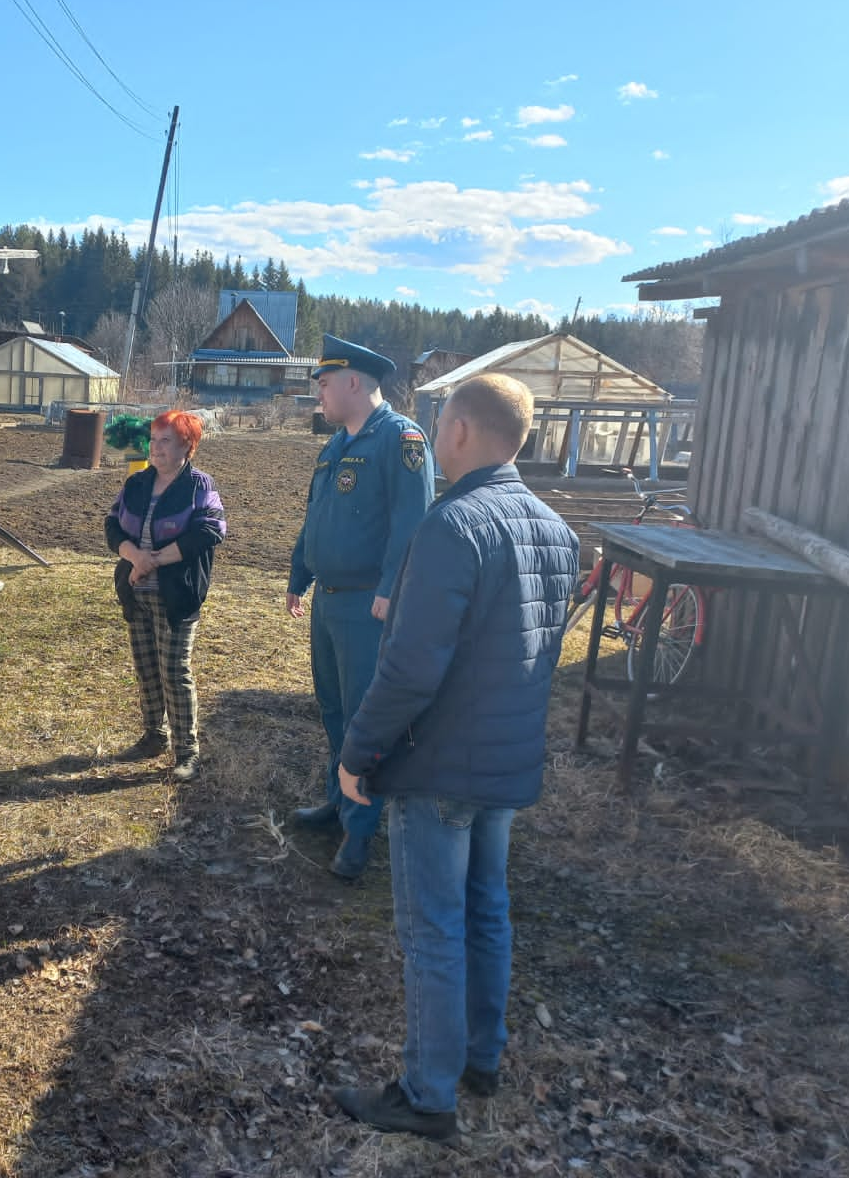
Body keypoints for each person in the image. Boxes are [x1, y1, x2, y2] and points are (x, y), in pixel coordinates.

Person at [329, 373, 579, 1141]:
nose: (435, 439)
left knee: (433, 928)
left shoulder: (453, 526)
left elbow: (408, 667)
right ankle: (480, 1058)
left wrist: (358, 751)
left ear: (463, 432)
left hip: (440, 764)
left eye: (441, 427)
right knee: (485, 912)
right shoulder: (554, 530)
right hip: (503, 761)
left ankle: (428, 1094)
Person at [286, 335, 434, 879]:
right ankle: (338, 800)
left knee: (362, 721)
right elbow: (317, 517)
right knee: (332, 708)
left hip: (366, 608)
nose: (317, 395)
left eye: (323, 384)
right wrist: (299, 574)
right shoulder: (336, 446)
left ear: (353, 382)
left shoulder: (401, 440)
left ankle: (359, 831)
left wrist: (391, 589)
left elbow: (413, 522)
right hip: (328, 600)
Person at [104, 410, 227, 782]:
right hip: (136, 592)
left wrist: (152, 560)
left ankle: (186, 751)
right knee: (146, 667)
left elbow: (208, 532)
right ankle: (153, 736)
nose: (156, 449)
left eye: (165, 441)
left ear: (187, 446)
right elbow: (112, 525)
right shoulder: (137, 483)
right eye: (154, 441)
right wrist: (135, 559)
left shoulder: (199, 486)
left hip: (176, 595)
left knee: (174, 671)